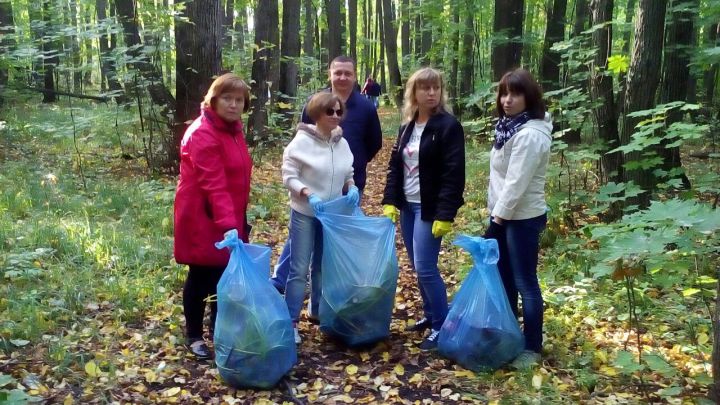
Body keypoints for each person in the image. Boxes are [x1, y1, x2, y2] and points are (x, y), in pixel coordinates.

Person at [270, 56, 382, 298]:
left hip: (346, 190)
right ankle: (280, 280)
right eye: (337, 72)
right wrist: (308, 185)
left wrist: (352, 172)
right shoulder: (316, 102)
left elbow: (375, 142)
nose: (342, 77)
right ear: (330, 74)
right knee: (300, 239)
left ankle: (320, 305)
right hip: (309, 192)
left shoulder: (365, 107)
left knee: (328, 248)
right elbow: (303, 136)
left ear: (354, 76)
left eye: (347, 73)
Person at [381, 67, 465, 351]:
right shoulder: (408, 125)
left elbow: (454, 174)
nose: (431, 93)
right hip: (408, 205)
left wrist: (445, 214)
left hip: (429, 209)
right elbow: (395, 166)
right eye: (424, 88)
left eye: (436, 88)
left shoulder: (448, 126)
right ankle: (430, 317)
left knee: (426, 268)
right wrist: (390, 200)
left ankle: (443, 326)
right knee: (418, 267)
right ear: (413, 92)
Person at [173, 73, 253, 360]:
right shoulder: (202, 133)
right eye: (227, 99)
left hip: (228, 214)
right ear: (214, 99)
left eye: (239, 100)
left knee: (225, 275)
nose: (233, 105)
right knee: (201, 275)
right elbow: (214, 185)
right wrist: (230, 226)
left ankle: (221, 329)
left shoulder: (233, 129)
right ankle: (194, 335)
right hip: (202, 217)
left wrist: (237, 220)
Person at [483, 68, 552, 369]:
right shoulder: (509, 127)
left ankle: (532, 346)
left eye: (515, 94)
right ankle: (510, 337)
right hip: (504, 214)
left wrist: (496, 221)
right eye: (504, 93)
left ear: (529, 97)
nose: (507, 100)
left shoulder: (531, 134)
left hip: (521, 218)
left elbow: (516, 184)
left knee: (525, 281)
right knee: (506, 278)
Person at [282, 92, 359, 344]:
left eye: (339, 112)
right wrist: (307, 193)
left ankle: (316, 310)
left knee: (323, 266)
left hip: (331, 214)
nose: (335, 116)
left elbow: (348, 170)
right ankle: (290, 320)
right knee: (299, 268)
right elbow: (289, 175)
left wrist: (351, 185)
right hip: (305, 212)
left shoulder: (341, 142)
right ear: (317, 114)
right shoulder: (301, 142)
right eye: (330, 112)